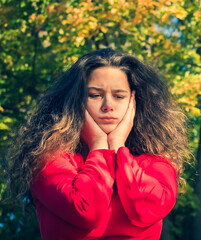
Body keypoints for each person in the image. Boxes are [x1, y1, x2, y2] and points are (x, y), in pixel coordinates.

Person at [8, 48, 189, 239]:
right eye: (95, 95)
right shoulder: (50, 161)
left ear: (135, 103)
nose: (107, 105)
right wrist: (99, 145)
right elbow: (86, 211)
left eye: (119, 96)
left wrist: (118, 146)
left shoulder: (156, 164)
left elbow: (146, 206)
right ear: (75, 102)